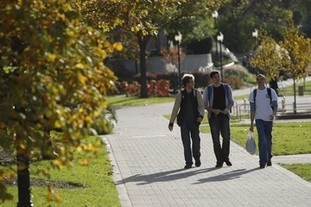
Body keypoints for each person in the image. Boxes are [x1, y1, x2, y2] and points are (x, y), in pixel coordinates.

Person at [168, 74, 205, 169]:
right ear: (186, 83)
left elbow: (201, 106)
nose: (193, 83)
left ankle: (197, 158)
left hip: (195, 122)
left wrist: (201, 116)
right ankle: (188, 162)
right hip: (184, 122)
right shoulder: (180, 95)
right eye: (191, 82)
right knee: (186, 143)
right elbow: (175, 108)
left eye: (193, 81)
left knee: (196, 142)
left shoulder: (197, 93)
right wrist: (171, 122)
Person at [203, 71, 234, 168]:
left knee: (226, 137)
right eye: (215, 77)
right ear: (212, 79)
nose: (218, 78)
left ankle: (225, 157)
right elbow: (205, 105)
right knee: (216, 140)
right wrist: (213, 110)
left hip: (224, 116)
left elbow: (231, 101)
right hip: (214, 118)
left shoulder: (226, 88)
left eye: (218, 76)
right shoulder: (208, 89)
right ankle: (219, 160)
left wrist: (227, 109)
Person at [249, 74, 278, 169]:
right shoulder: (253, 94)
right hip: (259, 119)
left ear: (265, 81)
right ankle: (262, 161)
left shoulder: (270, 91)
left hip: (269, 119)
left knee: (268, 139)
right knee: (262, 140)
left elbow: (275, 105)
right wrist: (252, 123)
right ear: (256, 81)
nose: (260, 81)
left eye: (262, 79)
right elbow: (252, 109)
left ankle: (268, 157)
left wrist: (273, 115)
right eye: (258, 79)